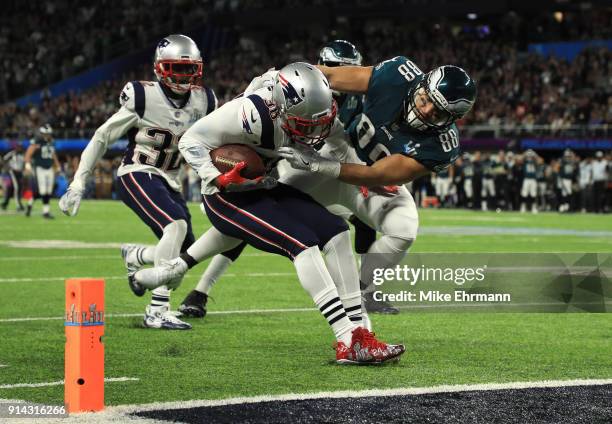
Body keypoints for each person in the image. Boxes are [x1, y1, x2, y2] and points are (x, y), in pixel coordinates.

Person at [135, 62, 405, 364]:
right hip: (227, 195)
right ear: (280, 108)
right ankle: (346, 338)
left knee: (337, 230)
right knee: (302, 241)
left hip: (264, 183)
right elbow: (191, 140)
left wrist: (369, 179)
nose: (315, 130)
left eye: (320, 121)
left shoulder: (315, 109)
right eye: (305, 124)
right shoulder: (251, 113)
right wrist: (218, 176)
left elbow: (340, 144)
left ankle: (360, 330)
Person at [178, 40, 399, 318]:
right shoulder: (299, 89)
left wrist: (365, 175)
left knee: (361, 223)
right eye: (337, 67)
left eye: (350, 69)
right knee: (253, 226)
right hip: (293, 163)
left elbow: (342, 141)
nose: (344, 74)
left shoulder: (353, 97)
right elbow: (255, 99)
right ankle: (199, 288)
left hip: (328, 164)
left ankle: (365, 293)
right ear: (323, 67)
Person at [275, 57, 476, 296]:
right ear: (420, 85)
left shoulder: (442, 146)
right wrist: (276, 80)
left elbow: (374, 175)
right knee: (269, 203)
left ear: (451, 120)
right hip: (342, 149)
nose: (426, 111)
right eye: (426, 100)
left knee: (404, 229)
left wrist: (319, 165)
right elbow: (326, 77)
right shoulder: (397, 75)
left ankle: (361, 290)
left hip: (370, 181)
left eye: (438, 114)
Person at [59, 34, 218, 330]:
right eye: (176, 68)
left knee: (186, 252)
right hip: (136, 172)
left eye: (189, 68)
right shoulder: (142, 96)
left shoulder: (205, 100)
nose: (184, 76)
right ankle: (157, 310)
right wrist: (78, 182)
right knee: (176, 225)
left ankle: (137, 255)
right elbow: (102, 136)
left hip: (169, 180)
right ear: (160, 67)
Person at [24, 124, 61, 218]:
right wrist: (27, 165)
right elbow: (28, 153)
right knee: (43, 190)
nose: (47, 135)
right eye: (45, 133)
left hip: (49, 168)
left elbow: (53, 154)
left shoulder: (52, 142)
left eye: (48, 134)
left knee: (47, 190)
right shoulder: (37, 142)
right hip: (39, 167)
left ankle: (30, 204)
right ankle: (45, 212)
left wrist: (57, 166)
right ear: (41, 133)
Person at [1, 142, 25, 211]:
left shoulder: (22, 154)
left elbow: (23, 163)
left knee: (12, 188)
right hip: (13, 172)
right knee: (17, 187)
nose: (19, 148)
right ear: (16, 147)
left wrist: (23, 169)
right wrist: (8, 168)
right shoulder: (12, 153)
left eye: (20, 147)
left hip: (19, 172)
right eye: (18, 147)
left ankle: (5, 203)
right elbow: (4, 160)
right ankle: (18, 205)